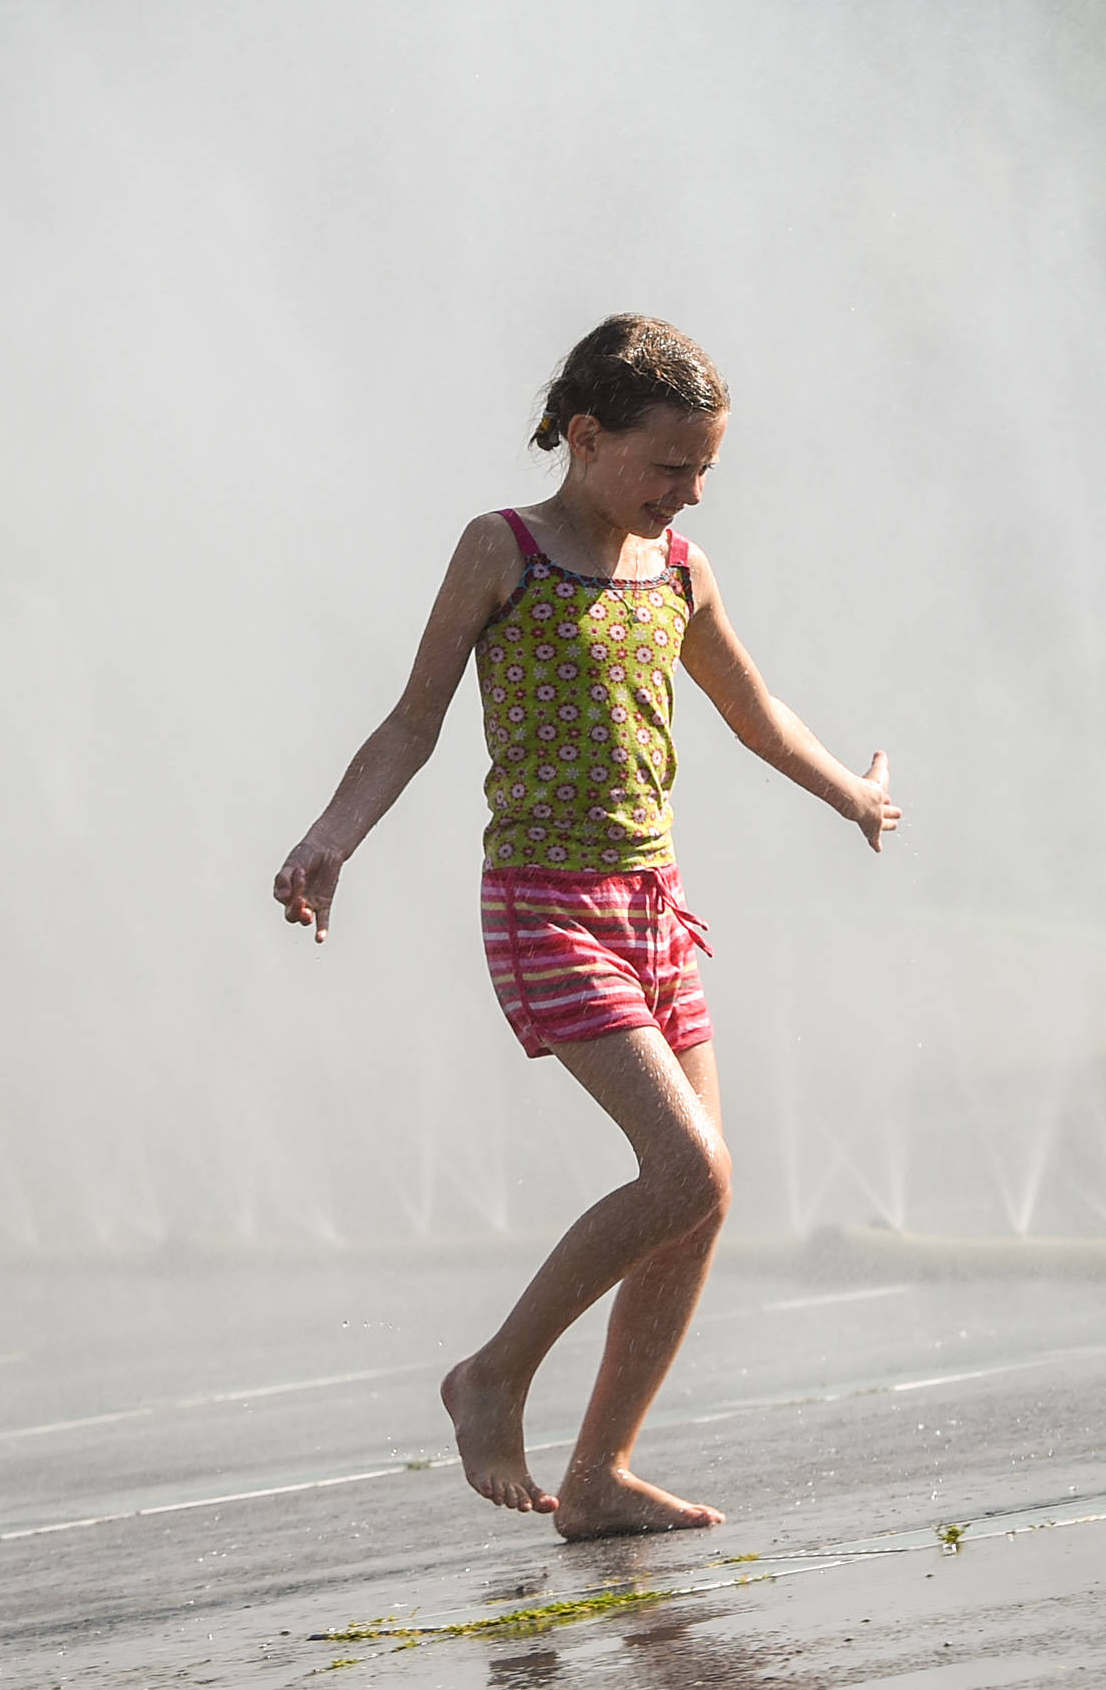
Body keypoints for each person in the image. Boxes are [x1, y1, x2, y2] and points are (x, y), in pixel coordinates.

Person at [272, 315, 899, 1539]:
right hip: (548, 906)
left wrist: (853, 792)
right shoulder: (503, 548)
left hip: (655, 904)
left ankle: (601, 1471)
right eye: (671, 465)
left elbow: (753, 709)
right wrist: (330, 837)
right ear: (585, 432)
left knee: (701, 1196)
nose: (692, 490)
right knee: (689, 1167)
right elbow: (412, 722)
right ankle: (494, 1373)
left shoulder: (681, 570)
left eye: (706, 467)